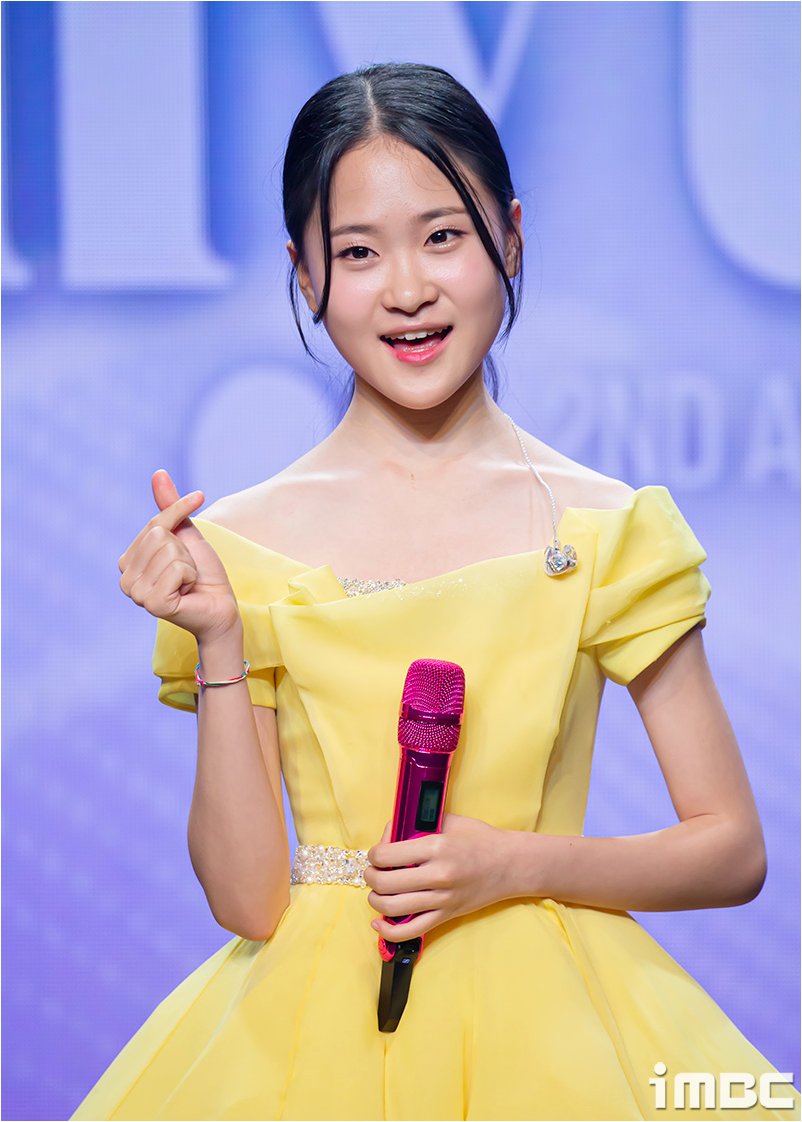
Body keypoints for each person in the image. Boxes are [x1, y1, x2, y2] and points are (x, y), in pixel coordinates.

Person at [72, 63, 798, 1121]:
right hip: (304, 1042)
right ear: (303, 274)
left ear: (511, 236)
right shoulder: (237, 547)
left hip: (552, 1031)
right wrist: (220, 639)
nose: (406, 288)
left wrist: (512, 865)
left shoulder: (604, 527)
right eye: (357, 253)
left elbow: (731, 849)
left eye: (442, 236)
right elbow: (248, 903)